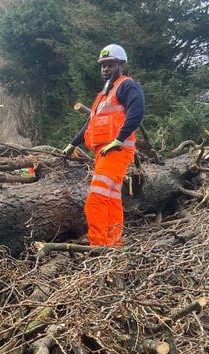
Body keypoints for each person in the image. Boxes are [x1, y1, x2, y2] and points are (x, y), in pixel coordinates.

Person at [63, 44, 145, 247]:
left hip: (116, 150)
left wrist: (118, 140)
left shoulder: (127, 86)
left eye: (110, 65)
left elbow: (137, 111)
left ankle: (98, 245)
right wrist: (73, 144)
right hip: (103, 151)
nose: (105, 69)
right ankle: (113, 243)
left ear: (121, 65)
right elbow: (90, 124)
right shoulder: (102, 96)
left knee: (96, 199)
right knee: (111, 198)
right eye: (102, 66)